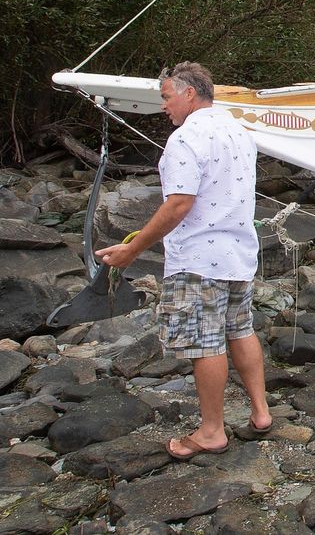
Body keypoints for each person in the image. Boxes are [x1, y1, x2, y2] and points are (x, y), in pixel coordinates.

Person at [96, 61, 271, 458]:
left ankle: (212, 431)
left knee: (207, 343)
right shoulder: (238, 131)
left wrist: (131, 250)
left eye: (166, 97)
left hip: (200, 258)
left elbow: (178, 205)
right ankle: (261, 413)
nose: (164, 106)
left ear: (189, 93)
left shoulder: (186, 138)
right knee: (240, 330)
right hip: (240, 252)